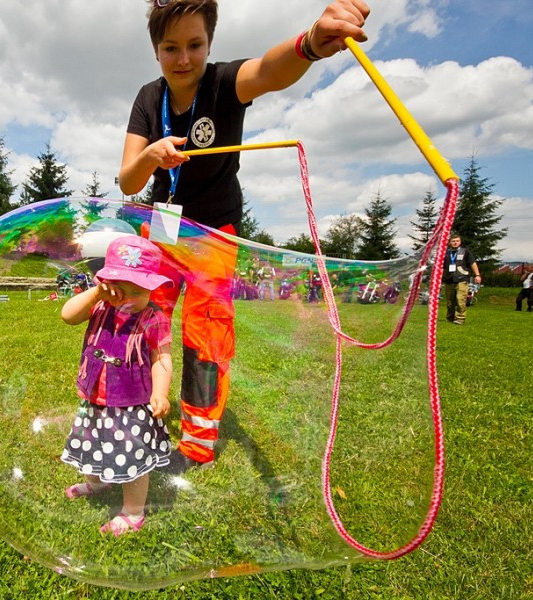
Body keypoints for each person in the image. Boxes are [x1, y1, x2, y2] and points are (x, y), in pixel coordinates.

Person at [118, 0, 370, 470]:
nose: (184, 59)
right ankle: (139, 408)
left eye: (195, 45)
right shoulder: (147, 99)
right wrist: (151, 155)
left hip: (215, 233)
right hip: (163, 231)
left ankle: (195, 442)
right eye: (171, 47)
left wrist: (310, 42)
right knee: (145, 319)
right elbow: (128, 181)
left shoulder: (222, 82)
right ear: (156, 51)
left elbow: (269, 70)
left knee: (205, 332)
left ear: (210, 43)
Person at [60, 235, 174, 536]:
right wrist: (97, 293)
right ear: (108, 284)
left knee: (131, 456)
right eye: (124, 290)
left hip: (131, 404)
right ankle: (98, 481)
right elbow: (67, 315)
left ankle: (133, 514)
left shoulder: (153, 318)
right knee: (92, 442)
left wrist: (160, 392)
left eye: (140, 291)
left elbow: (162, 359)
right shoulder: (99, 307)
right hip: (96, 394)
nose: (131, 299)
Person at [441, 233, 481, 325]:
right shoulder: (446, 253)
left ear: (460, 242)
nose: (455, 243)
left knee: (460, 299)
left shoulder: (465, 252)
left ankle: (460, 318)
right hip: (449, 279)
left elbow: (472, 263)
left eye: (457, 241)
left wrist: (477, 275)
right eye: (453, 241)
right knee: (450, 301)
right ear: (449, 242)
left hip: (462, 278)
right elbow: (441, 267)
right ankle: (450, 317)